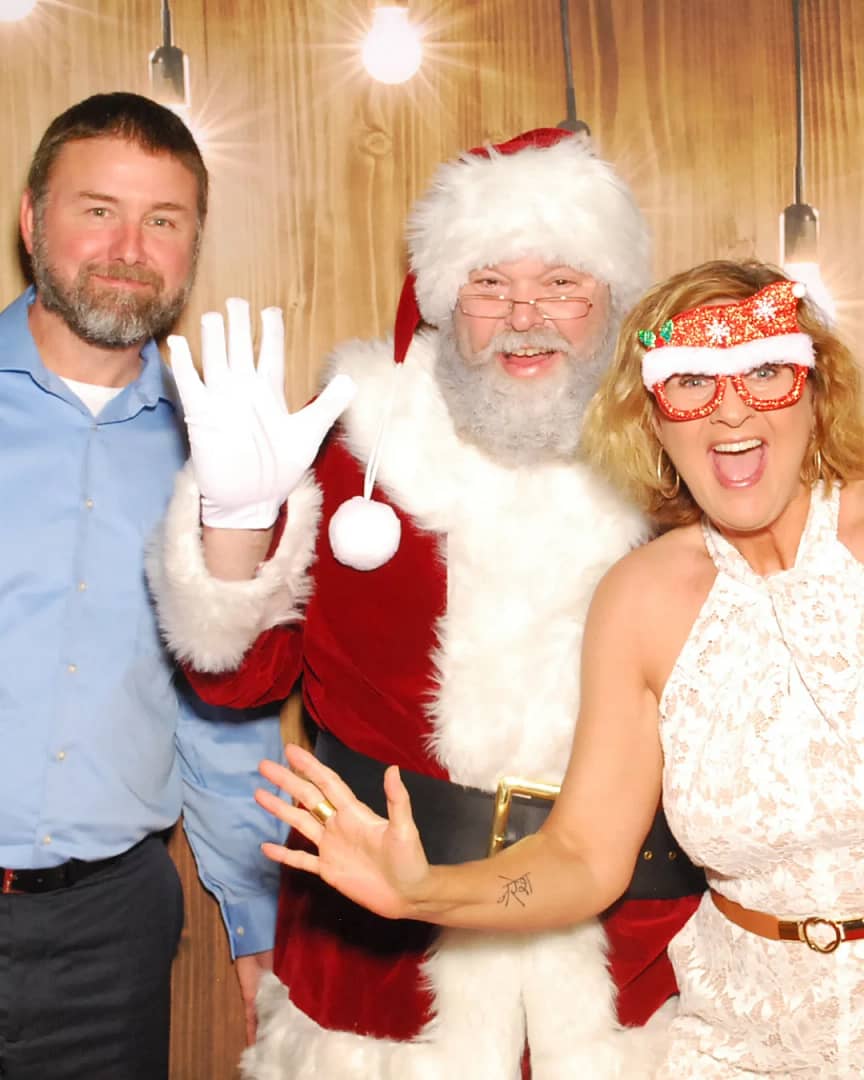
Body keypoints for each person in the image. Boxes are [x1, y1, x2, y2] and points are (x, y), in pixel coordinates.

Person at [148, 128, 706, 1079]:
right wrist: (238, 521)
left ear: (614, 300)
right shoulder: (361, 454)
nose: (526, 316)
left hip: (634, 961)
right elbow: (236, 681)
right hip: (380, 972)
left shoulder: (680, 463)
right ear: (444, 305)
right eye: (490, 284)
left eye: (564, 282)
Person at [256, 259, 864, 1078]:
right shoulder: (641, 596)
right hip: (740, 1040)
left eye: (763, 371)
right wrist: (424, 893)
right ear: (651, 417)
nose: (729, 410)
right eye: (690, 381)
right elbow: (580, 857)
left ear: (816, 389)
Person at [0, 92, 285, 1080]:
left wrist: (258, 925)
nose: (129, 245)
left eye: (162, 221)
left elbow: (221, 701)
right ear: (34, 220)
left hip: (109, 936)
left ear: (192, 245)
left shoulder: (219, 455)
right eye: (97, 210)